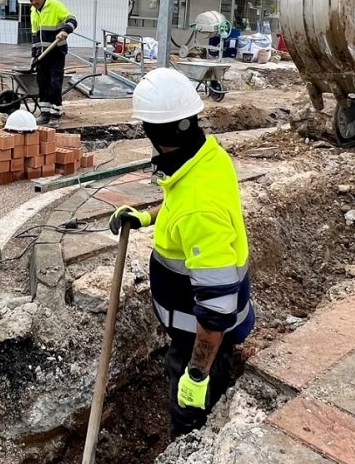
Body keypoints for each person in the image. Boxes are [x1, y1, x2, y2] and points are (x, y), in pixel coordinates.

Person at [108, 68, 253, 438]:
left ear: (151, 131)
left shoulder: (198, 207)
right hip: (200, 331)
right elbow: (180, 206)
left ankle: (184, 461)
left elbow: (217, 307)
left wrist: (196, 373)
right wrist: (145, 216)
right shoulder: (206, 156)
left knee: (190, 416)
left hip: (203, 340)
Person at [20, 0, 77, 125]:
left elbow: (72, 20)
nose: (33, 2)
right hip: (42, 55)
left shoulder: (56, 6)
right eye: (31, 0)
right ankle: (45, 113)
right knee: (42, 83)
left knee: (54, 83)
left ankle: (55, 114)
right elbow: (35, 35)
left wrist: (65, 30)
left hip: (56, 52)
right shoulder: (34, 11)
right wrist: (35, 56)